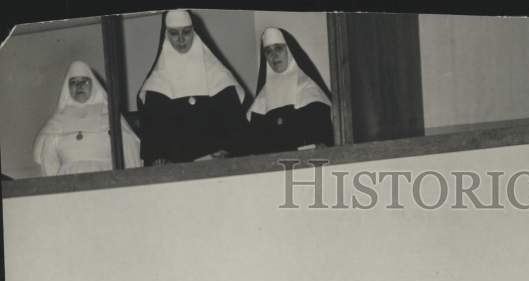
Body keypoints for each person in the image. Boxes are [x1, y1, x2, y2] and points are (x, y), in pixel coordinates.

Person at [137, 9, 246, 165]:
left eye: (186, 32)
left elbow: (236, 131)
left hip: (215, 167)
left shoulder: (219, 77)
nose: (181, 40)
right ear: (166, 35)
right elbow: (153, 141)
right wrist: (158, 158)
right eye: (174, 33)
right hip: (175, 172)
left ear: (194, 32)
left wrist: (227, 151)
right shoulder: (156, 85)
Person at [33, 61, 141, 175]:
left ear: (93, 85)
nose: (79, 86)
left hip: (106, 180)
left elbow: (129, 152)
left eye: (84, 82)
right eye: (74, 82)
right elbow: (49, 163)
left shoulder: (109, 115)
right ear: (67, 87)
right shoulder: (57, 122)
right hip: (67, 182)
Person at [245, 27, 333, 155]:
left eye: (278, 48)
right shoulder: (260, 102)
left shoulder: (310, 91)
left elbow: (323, 141)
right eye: (268, 51)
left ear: (289, 51)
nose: (274, 56)